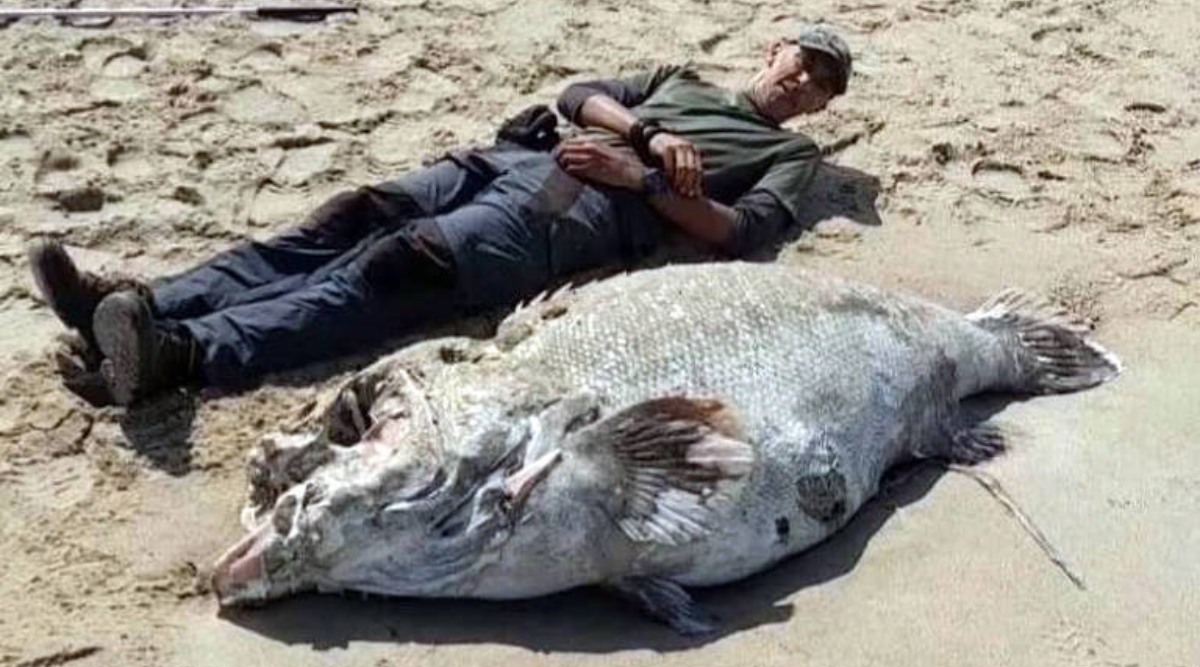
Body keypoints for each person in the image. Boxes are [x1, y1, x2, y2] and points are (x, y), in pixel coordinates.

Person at [29, 26, 852, 407]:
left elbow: (739, 234)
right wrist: (646, 130)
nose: (803, 82)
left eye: (821, 84)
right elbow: (576, 95)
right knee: (343, 221)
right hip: (507, 158)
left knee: (396, 267)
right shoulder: (681, 79)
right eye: (802, 63)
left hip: (570, 212)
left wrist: (643, 181)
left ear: (818, 105)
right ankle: (137, 306)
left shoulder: (790, 156)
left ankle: (181, 355)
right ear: (771, 48)